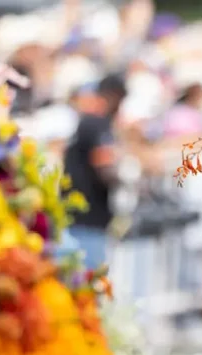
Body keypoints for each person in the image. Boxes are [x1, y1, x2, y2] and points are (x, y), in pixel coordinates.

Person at [63, 74, 127, 271]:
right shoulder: (97, 123)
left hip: (75, 216)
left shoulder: (87, 120)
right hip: (88, 220)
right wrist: (127, 179)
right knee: (87, 284)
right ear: (115, 97)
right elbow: (104, 169)